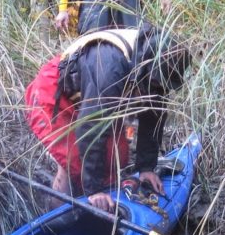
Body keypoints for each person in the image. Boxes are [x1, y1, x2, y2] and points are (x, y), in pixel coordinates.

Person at [25, 23, 193, 212]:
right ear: (147, 65)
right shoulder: (110, 64)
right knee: (73, 161)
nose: (158, 88)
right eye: (155, 83)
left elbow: (153, 116)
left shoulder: (160, 66)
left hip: (90, 96)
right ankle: (57, 215)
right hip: (54, 93)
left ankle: (93, 206)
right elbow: (91, 127)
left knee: (116, 157)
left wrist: (146, 168)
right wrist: (94, 190)